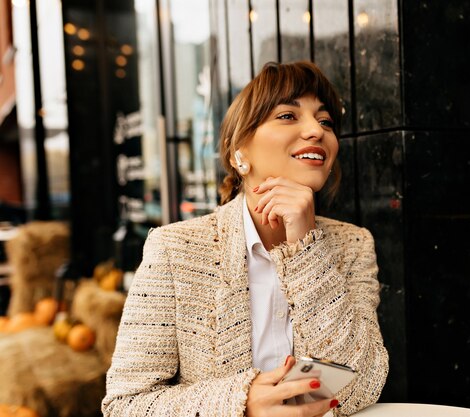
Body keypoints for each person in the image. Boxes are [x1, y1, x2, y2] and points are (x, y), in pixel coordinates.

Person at [102, 61, 388, 417]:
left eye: (325, 121)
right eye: (288, 116)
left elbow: (364, 384)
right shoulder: (175, 249)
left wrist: (305, 247)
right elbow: (126, 405)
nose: (316, 130)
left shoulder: (353, 245)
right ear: (240, 152)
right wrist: (241, 404)